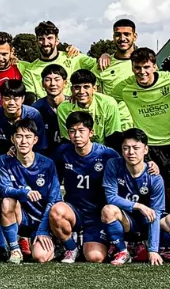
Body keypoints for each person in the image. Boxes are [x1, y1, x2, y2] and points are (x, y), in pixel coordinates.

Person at [107, 48, 170, 221]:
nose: (142, 72)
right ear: (132, 68)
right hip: (146, 148)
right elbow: (105, 100)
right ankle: (151, 238)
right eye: (137, 67)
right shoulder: (124, 87)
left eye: (146, 67)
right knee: (147, 193)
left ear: (155, 66)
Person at [100, 128, 170, 266]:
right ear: (122, 150)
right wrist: (138, 206)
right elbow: (111, 197)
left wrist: (153, 250)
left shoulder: (155, 177)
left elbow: (156, 213)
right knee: (108, 210)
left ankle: (155, 247)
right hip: (127, 219)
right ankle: (123, 250)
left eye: (136, 148)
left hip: (148, 220)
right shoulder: (113, 165)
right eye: (126, 148)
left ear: (145, 150)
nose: (131, 152)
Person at [48, 111, 122, 263]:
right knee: (56, 211)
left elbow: (127, 172)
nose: (77, 135)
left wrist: (150, 165)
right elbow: (46, 168)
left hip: (98, 214)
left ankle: (94, 239)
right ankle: (70, 247)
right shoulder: (63, 152)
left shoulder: (108, 155)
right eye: (72, 131)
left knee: (95, 257)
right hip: (73, 211)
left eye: (81, 131)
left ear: (91, 132)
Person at [0, 120, 62, 264]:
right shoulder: (4, 160)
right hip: (22, 218)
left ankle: (57, 244)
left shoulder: (47, 164)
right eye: (19, 136)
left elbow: (55, 200)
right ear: (12, 139)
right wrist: (24, 193)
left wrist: (43, 229)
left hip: (42, 220)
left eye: (28, 136)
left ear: (35, 140)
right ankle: (15, 249)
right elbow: (3, 189)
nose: (23, 141)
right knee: (7, 201)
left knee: (40, 257)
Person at [21, 20, 100, 101]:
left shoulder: (73, 56)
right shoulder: (30, 71)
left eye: (50, 38)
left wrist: (105, 56)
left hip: (74, 110)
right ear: (37, 42)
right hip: (46, 112)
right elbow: (30, 100)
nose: (45, 43)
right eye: (41, 39)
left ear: (57, 40)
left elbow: (100, 66)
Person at [56, 69, 131, 148]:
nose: (81, 91)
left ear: (94, 88)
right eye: (77, 87)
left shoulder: (108, 103)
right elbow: (67, 139)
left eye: (86, 87)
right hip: (76, 150)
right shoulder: (63, 108)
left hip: (104, 149)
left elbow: (113, 136)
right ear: (71, 89)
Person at [0, 79, 46, 162]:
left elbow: (41, 146)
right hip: (2, 159)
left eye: (16, 99)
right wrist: (6, 157)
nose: (11, 103)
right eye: (7, 98)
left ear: (23, 99)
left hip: (30, 159)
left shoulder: (34, 115)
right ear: (1, 98)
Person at [30, 64, 69, 158]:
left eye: (57, 79)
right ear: (42, 83)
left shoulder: (74, 105)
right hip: (44, 158)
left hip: (70, 158)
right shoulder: (35, 109)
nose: (53, 84)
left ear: (65, 83)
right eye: (48, 79)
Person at [96, 19, 137, 93]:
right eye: (118, 35)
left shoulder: (144, 62)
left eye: (126, 34)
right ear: (113, 37)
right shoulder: (103, 64)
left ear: (135, 37)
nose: (122, 38)